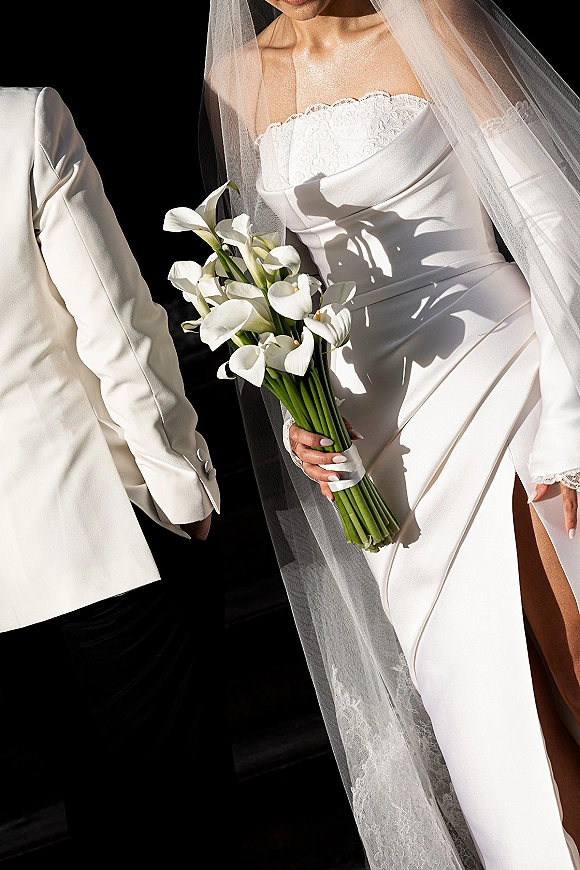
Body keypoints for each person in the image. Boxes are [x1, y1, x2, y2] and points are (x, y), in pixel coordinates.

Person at [201, 1, 580, 867]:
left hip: (505, 384)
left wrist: (568, 430)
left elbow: (554, 219)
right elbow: (276, 287)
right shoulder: (234, 80)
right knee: (487, 727)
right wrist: (305, 416)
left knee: (570, 664)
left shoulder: (430, 18)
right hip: (376, 446)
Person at [0, 85, 220, 864]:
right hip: (96, 540)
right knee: (179, 823)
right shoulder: (21, 121)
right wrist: (182, 486)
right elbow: (119, 323)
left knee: (94, 816)